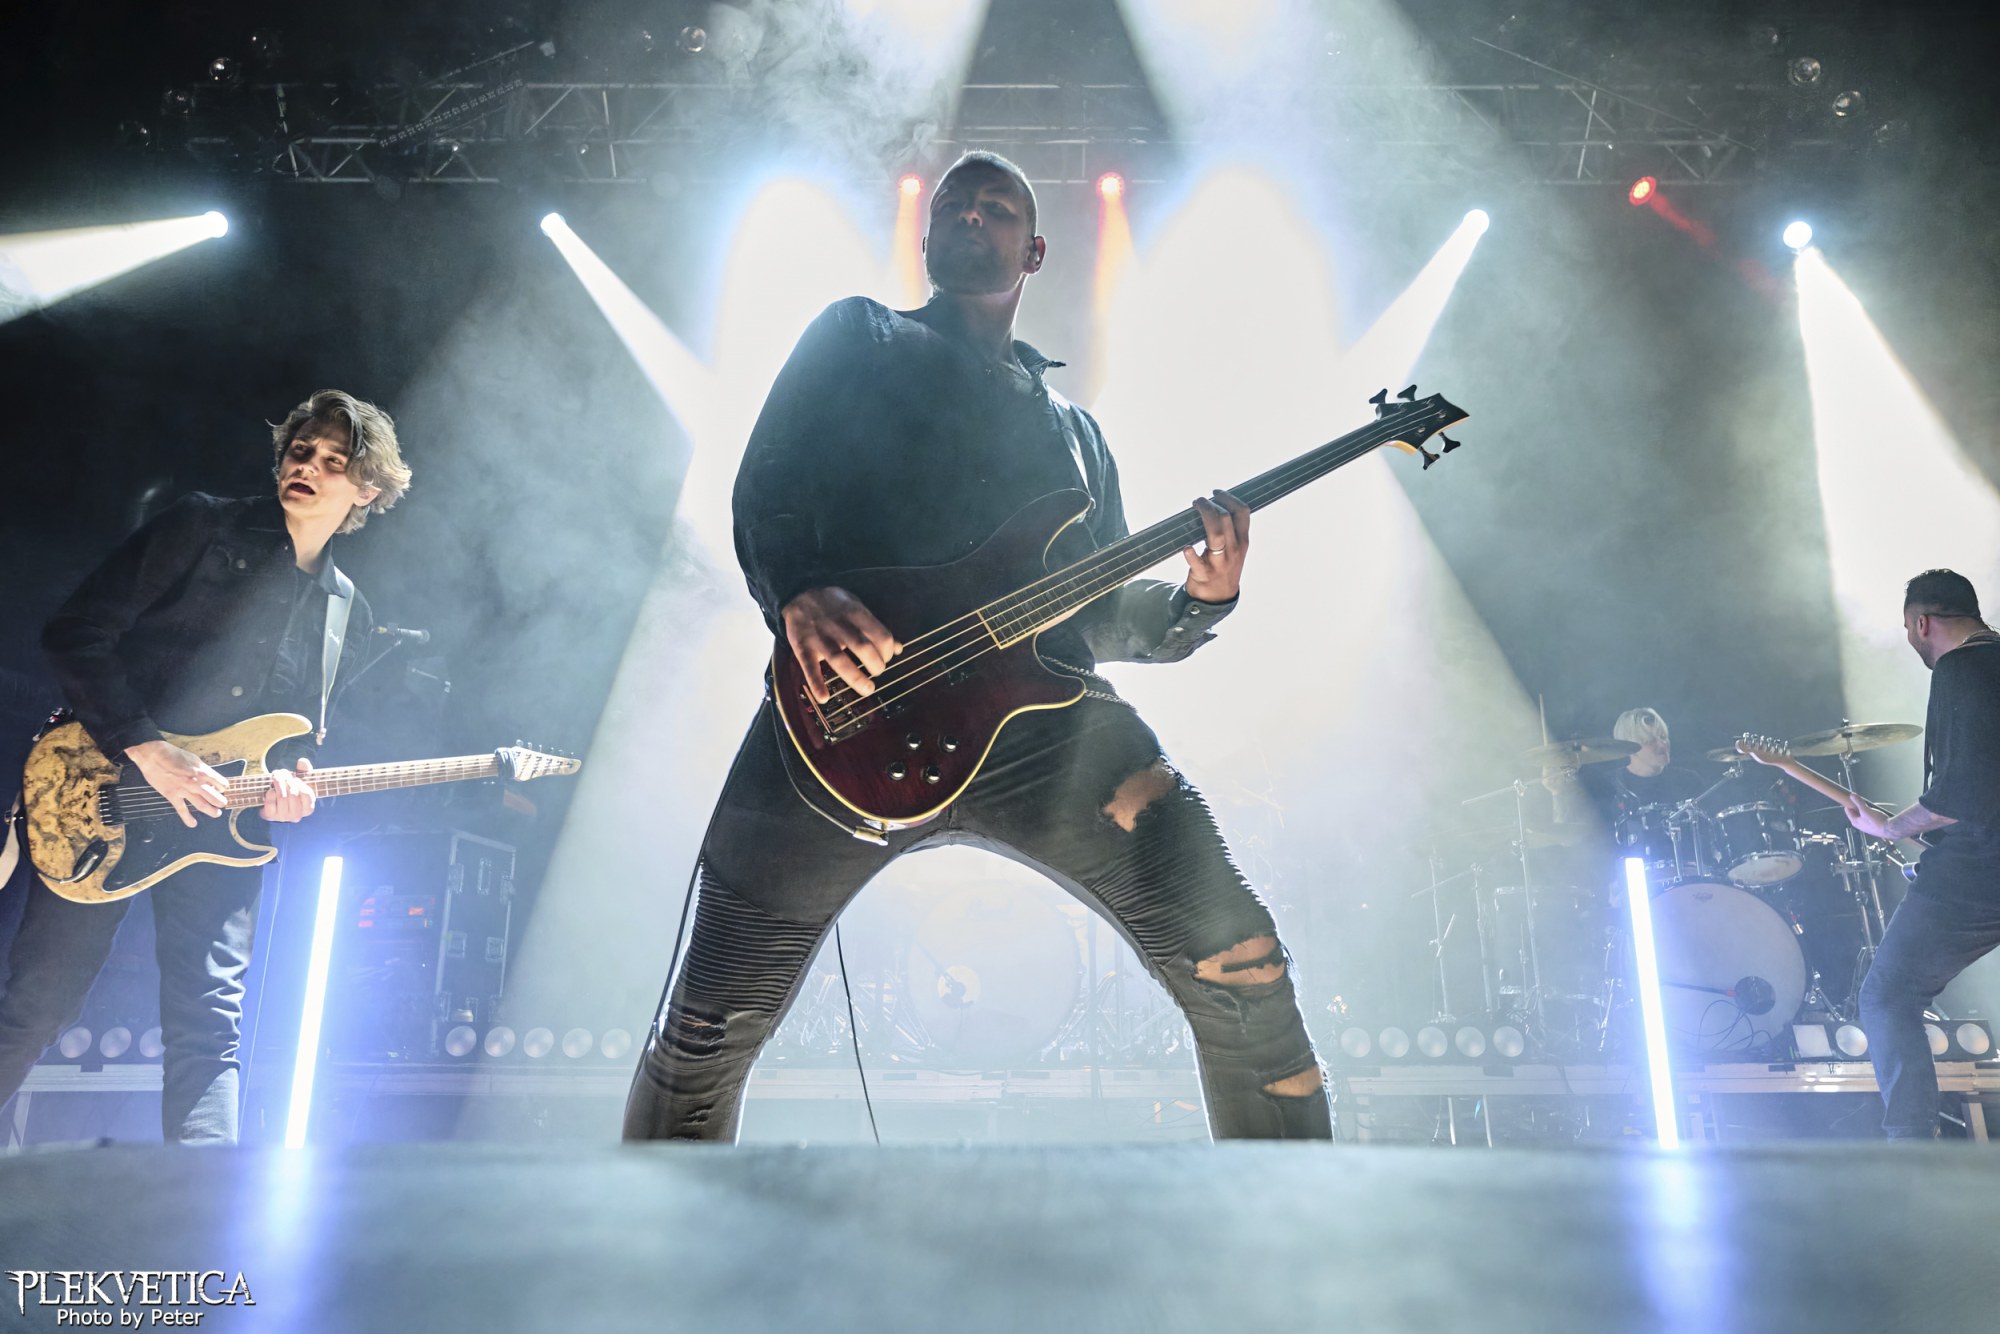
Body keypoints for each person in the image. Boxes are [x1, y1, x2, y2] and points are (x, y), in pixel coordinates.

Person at [623, 151, 1330, 1142]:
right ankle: (648, 1230)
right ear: (925, 236)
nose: (971, 213)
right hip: (849, 706)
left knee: (1240, 962)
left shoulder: (1077, 437)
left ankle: (1293, 1227)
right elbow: (767, 479)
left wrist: (1198, 601)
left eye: (997, 208)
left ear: (1033, 251)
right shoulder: (858, 335)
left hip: (1046, 730)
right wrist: (796, 591)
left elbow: (1098, 613)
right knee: (705, 1025)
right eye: (955, 202)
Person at [0, 390, 411, 1144]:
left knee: (210, 1025)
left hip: (219, 830)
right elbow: (75, 633)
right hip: (101, 792)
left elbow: (302, 740)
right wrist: (147, 746)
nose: (307, 466)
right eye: (301, 451)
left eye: (333, 461)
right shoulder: (202, 526)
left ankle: (197, 1204)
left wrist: (291, 786)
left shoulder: (346, 612)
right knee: (37, 1007)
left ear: (368, 490)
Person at [1846, 569, 2000, 1139]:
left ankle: (1913, 1153)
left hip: (1979, 873)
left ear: (1922, 623)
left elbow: (1964, 792)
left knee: (1888, 995)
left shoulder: (1961, 668)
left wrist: (1892, 827)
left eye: (1909, 630)